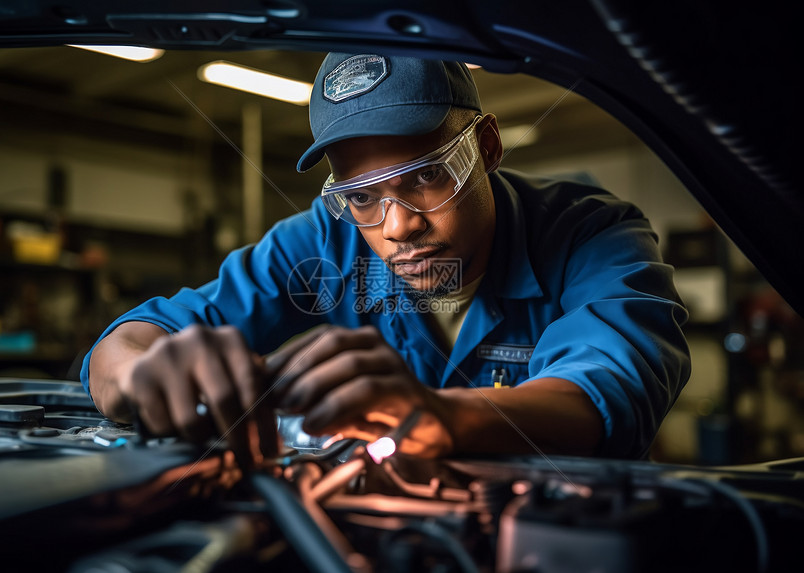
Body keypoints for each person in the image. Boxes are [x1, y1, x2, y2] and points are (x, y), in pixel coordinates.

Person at [82, 53, 690, 466]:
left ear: (487, 145)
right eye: (363, 196)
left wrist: (441, 416)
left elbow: (608, 392)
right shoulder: (326, 241)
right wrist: (145, 376)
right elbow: (127, 342)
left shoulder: (591, 235)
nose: (398, 226)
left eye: (427, 176)